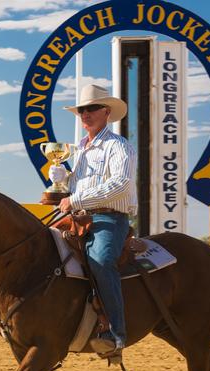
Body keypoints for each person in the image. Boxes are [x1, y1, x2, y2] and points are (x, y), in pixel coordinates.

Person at [49, 84, 137, 355]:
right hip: (77, 218)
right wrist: (62, 181)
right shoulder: (80, 150)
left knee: (100, 260)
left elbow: (121, 184)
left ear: (106, 112)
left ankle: (115, 334)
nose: (84, 114)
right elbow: (76, 188)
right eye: (81, 110)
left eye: (91, 109)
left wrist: (75, 200)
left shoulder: (118, 146)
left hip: (109, 219)